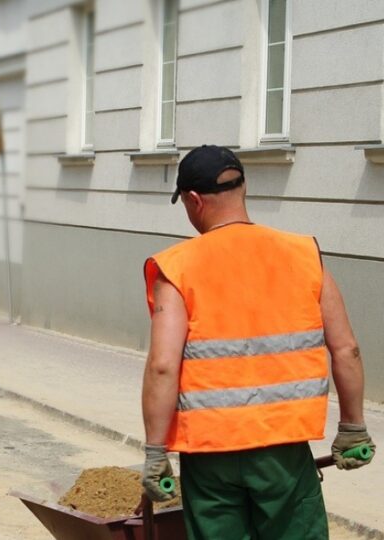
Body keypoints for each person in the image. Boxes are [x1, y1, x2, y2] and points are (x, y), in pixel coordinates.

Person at [140, 145, 376, 540]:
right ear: (243, 188)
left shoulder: (177, 266)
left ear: (193, 200)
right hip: (282, 450)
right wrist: (352, 427)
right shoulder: (304, 254)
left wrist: (154, 453)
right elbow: (345, 348)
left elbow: (162, 365)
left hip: (209, 452)